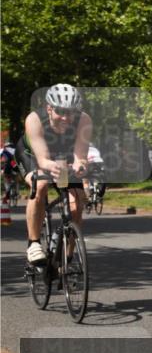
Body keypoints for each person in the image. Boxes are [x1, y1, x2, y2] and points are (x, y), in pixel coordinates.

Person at [20, 84, 92, 264]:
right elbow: (43, 160)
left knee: (76, 204)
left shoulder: (84, 120)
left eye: (71, 112)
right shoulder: (34, 119)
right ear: (49, 108)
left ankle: (66, 258)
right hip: (33, 155)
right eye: (61, 111)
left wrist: (80, 166)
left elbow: (80, 156)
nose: (66, 117)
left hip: (61, 155)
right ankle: (34, 243)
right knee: (40, 185)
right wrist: (55, 169)